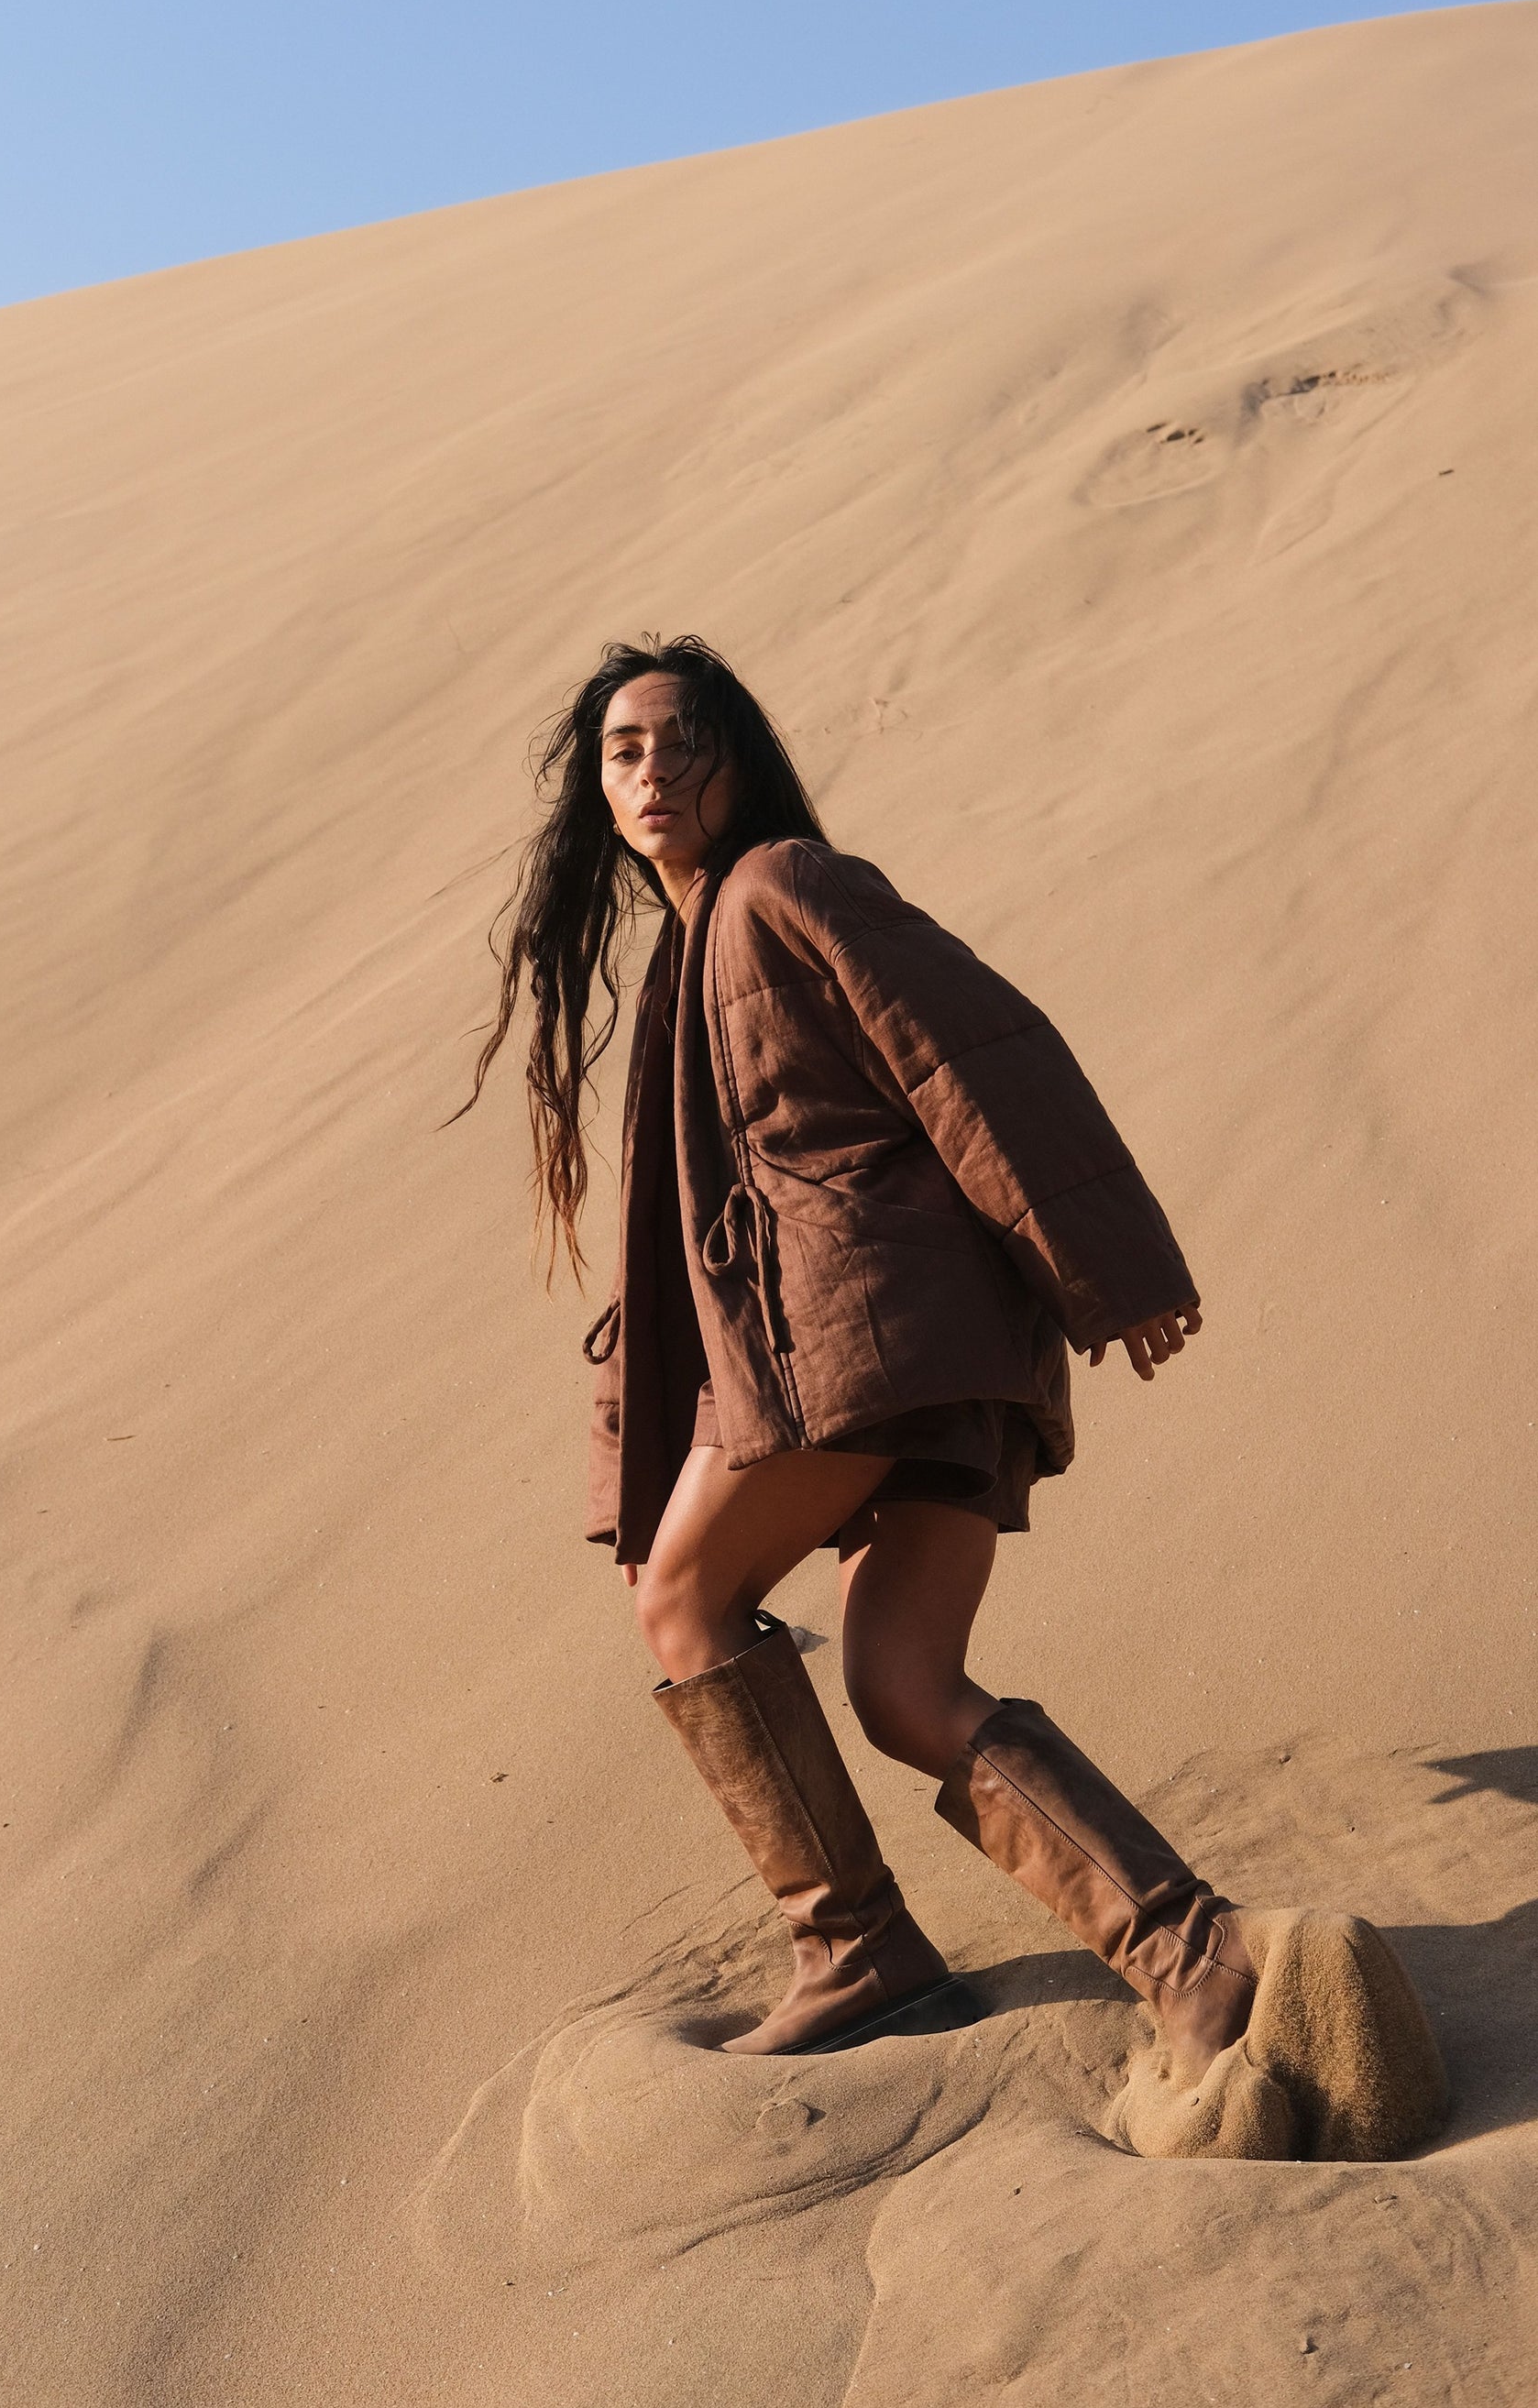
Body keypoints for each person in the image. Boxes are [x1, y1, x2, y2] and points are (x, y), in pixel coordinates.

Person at [462, 634, 1446, 2162]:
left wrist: (1107, 1264)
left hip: (861, 1338)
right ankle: (1199, 1961)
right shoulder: (697, 943)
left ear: (735, 758)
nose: (653, 772)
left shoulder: (787, 883)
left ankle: (851, 1948)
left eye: (680, 741)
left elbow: (971, 1052)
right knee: (902, 1687)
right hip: (904, 1350)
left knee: (680, 1600)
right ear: (596, 792)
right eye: (622, 752)